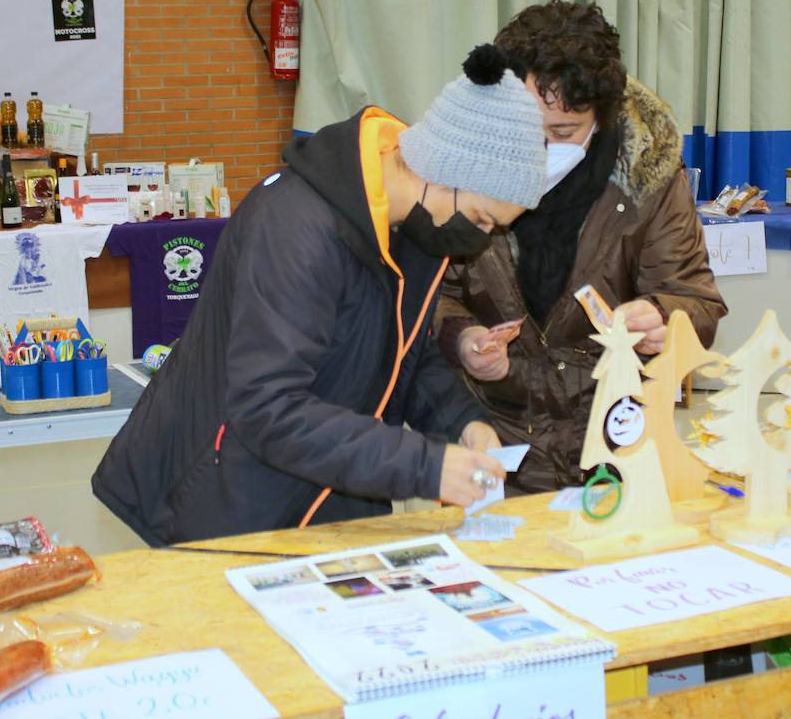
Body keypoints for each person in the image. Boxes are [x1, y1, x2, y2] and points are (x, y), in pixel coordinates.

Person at [93, 44, 548, 545]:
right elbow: (268, 406)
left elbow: (405, 356)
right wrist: (427, 466)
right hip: (225, 500)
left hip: (331, 492)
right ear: (443, 171)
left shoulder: (418, 228)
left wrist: (463, 425)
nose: (480, 238)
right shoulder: (296, 227)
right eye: (482, 218)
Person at [435, 0, 727, 494]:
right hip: (496, 439)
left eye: (562, 132)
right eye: (524, 127)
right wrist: (462, 338)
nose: (540, 147)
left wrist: (663, 316)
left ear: (601, 118)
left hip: (612, 440)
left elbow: (697, 301)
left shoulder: (647, 180)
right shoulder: (462, 168)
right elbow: (427, 294)